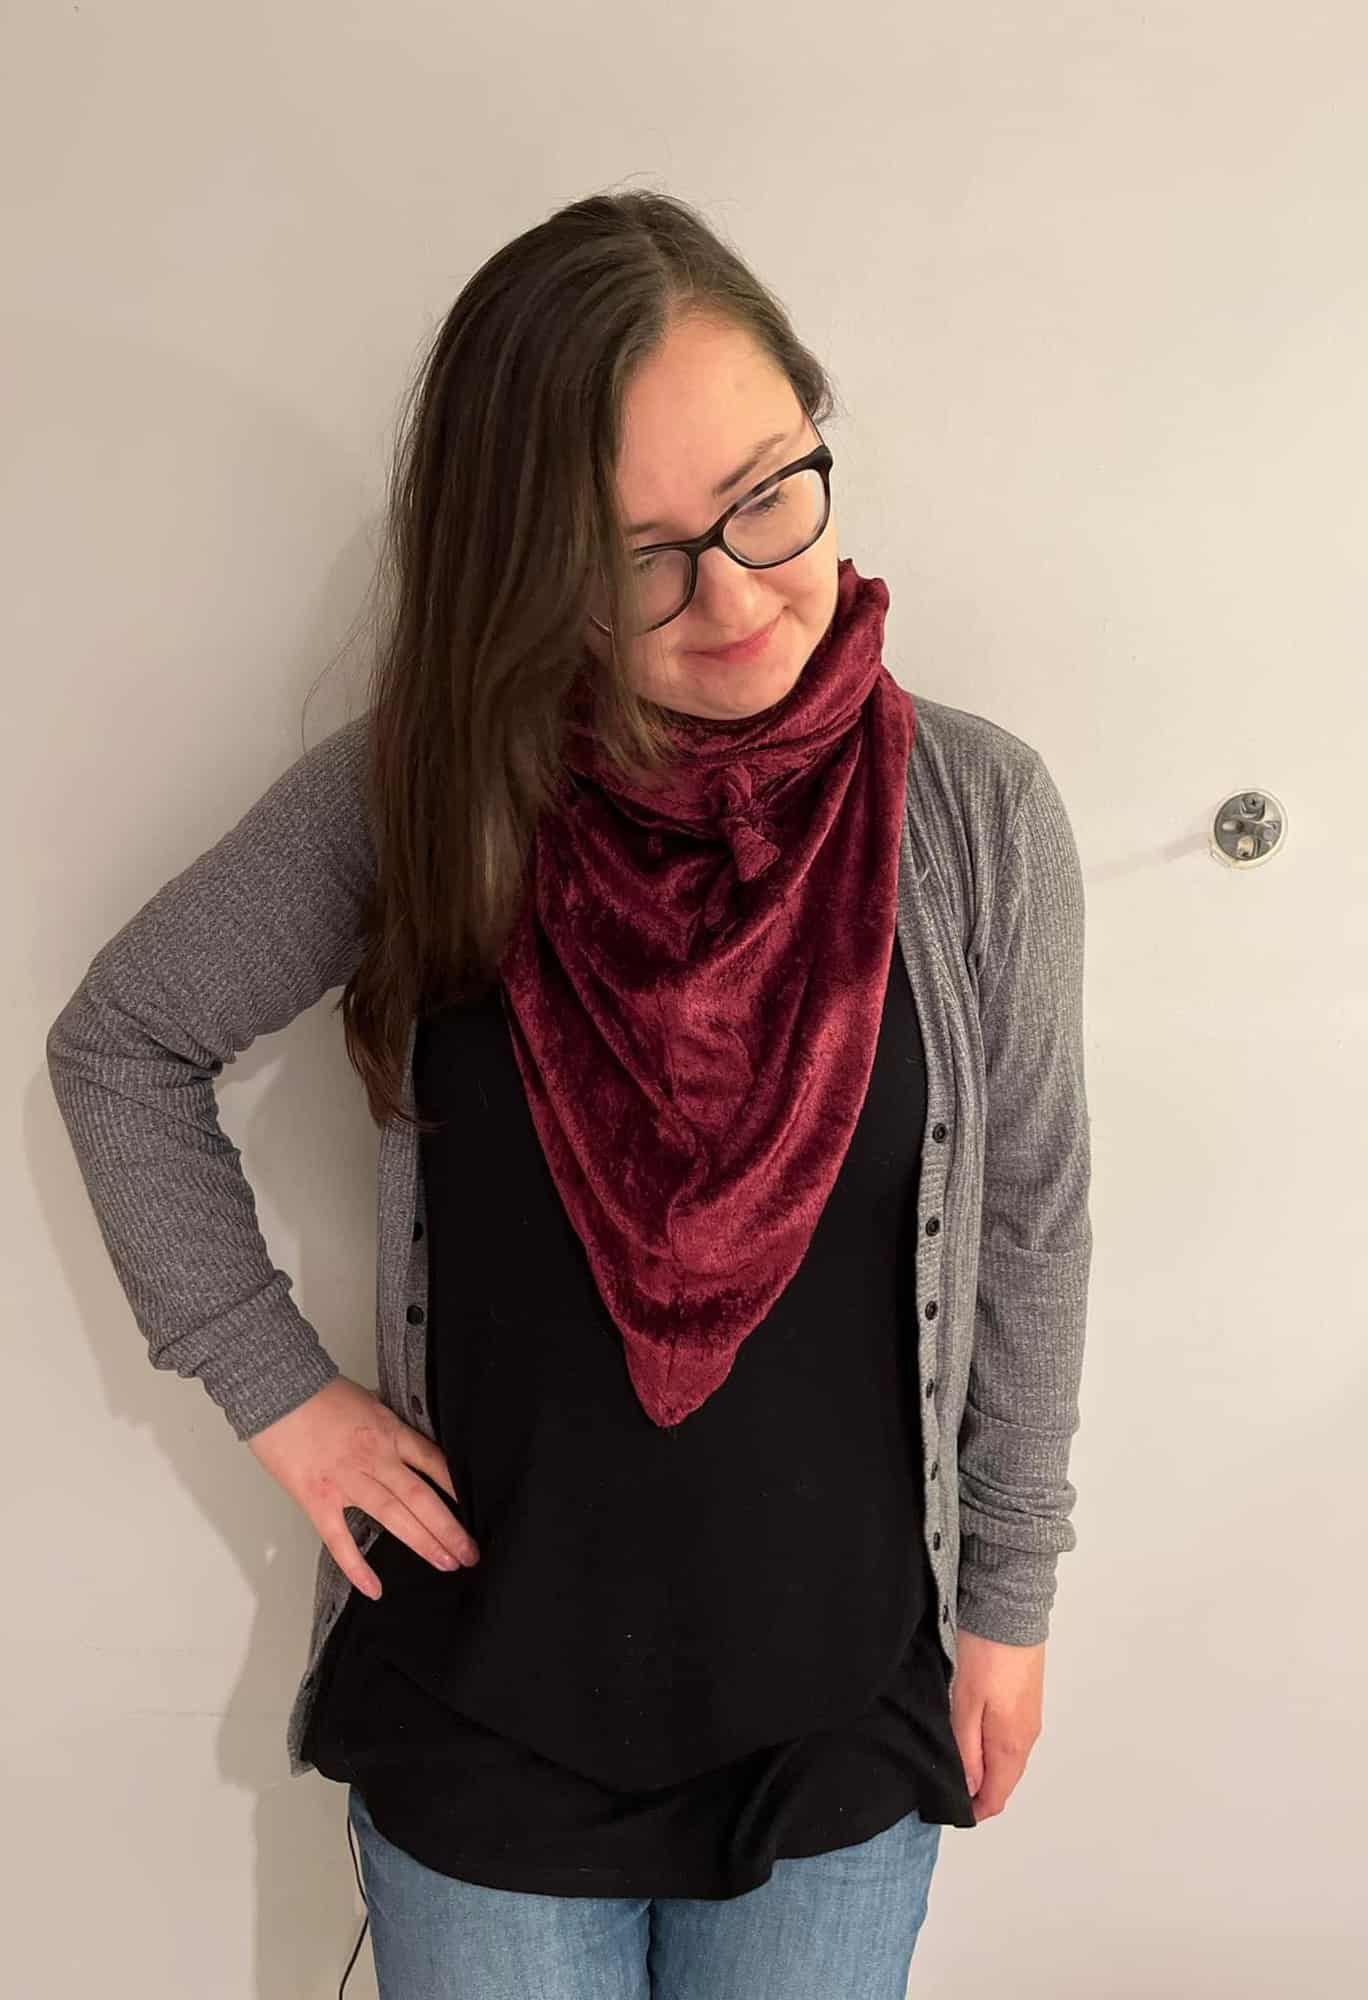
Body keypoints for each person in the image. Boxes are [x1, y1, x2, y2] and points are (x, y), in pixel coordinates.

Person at [45, 188, 1094, 1999]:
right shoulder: (424, 798)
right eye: (639, 556)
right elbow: (122, 1046)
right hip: (488, 1724)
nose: (738, 594)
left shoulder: (977, 817)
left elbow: (1033, 1229)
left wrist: (1009, 1598)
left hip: (844, 1721)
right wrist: (279, 1392)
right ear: (529, 568)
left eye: (767, 494)